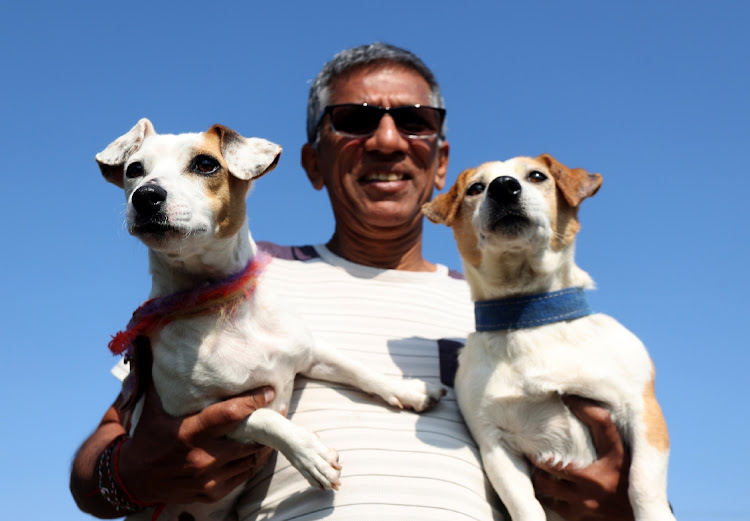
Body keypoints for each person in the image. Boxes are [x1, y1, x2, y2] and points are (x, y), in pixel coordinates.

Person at [70, 42, 634, 520]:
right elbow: (97, 462)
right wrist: (129, 474)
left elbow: (617, 471)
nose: (387, 140)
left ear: (443, 165)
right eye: (355, 120)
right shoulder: (227, 285)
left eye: (415, 121)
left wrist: (614, 504)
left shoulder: (502, 314)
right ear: (312, 164)